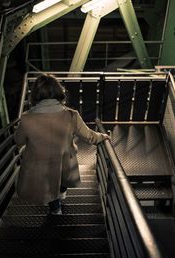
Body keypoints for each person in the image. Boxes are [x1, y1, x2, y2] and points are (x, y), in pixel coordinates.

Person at [14, 74, 109, 214]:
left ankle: (55, 207)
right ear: (58, 91)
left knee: (49, 183)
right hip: (64, 161)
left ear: (36, 95)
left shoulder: (26, 118)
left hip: (38, 165)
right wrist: (103, 136)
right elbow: (89, 136)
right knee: (62, 179)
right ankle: (59, 197)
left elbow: (19, 141)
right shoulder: (71, 115)